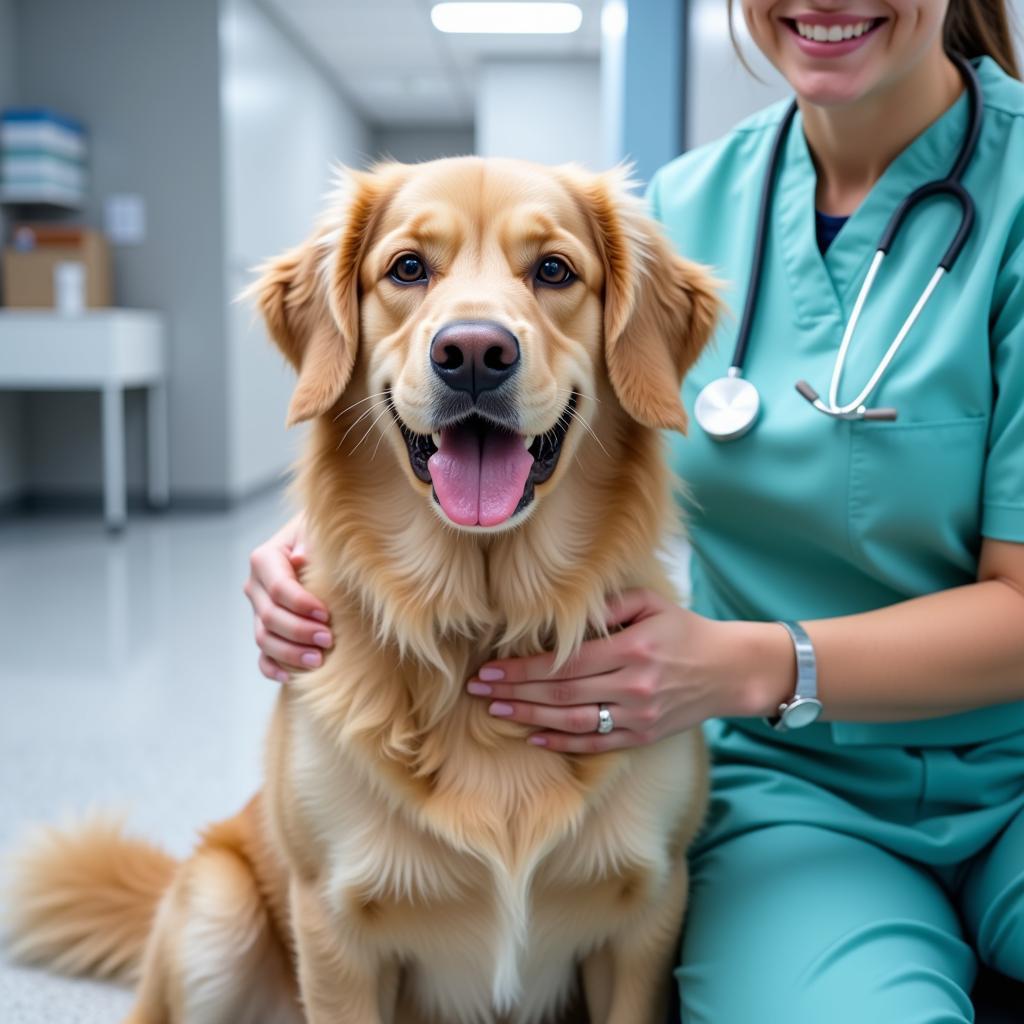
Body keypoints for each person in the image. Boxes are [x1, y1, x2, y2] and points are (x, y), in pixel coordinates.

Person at [244, 2, 1024, 1019]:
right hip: (798, 791)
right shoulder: (685, 210)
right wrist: (316, 549)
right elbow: (419, 430)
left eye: (548, 274)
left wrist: (751, 661)